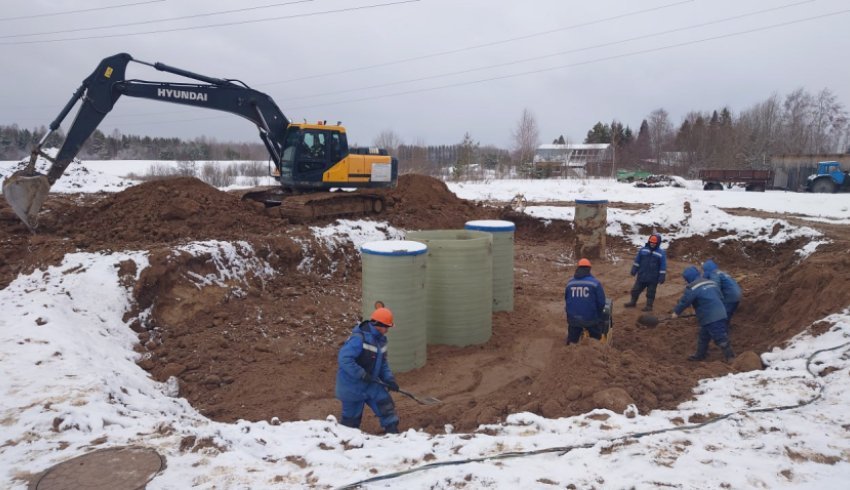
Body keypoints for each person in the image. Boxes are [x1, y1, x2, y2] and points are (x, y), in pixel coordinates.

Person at [335, 307, 400, 434]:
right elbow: (344, 359)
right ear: (377, 325)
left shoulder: (381, 340)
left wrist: (389, 379)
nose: (387, 330)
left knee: (386, 407)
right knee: (350, 423)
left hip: (371, 384)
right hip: (352, 386)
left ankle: (393, 435)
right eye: (386, 327)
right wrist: (361, 374)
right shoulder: (358, 339)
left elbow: (383, 363)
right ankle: (349, 444)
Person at [672, 266, 735, 362]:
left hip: (711, 316)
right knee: (703, 336)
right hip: (720, 312)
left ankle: (730, 357)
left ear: (688, 278)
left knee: (720, 336)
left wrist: (676, 312)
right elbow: (720, 296)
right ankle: (700, 355)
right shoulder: (710, 282)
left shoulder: (692, 287)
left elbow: (685, 301)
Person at [564, 258, 607, 344]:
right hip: (590, 319)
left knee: (572, 341)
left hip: (574, 320)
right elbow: (601, 302)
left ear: (578, 268)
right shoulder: (595, 283)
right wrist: (598, 316)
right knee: (596, 340)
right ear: (589, 269)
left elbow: (567, 300)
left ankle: (570, 347)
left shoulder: (570, 283)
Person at [624, 233, 667, 312]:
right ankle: (633, 302)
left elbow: (663, 266)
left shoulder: (661, 253)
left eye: (654, 243)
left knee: (651, 293)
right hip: (642, 276)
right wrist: (634, 269)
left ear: (658, 243)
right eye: (651, 242)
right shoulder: (643, 250)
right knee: (635, 290)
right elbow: (637, 261)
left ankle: (649, 306)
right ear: (649, 241)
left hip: (653, 278)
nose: (652, 244)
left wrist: (662, 275)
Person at [702, 259, 742, 324]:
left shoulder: (714, 274)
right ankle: (725, 326)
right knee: (727, 313)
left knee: (722, 315)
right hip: (737, 294)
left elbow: (716, 286)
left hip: (730, 297)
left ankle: (722, 330)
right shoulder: (721, 272)